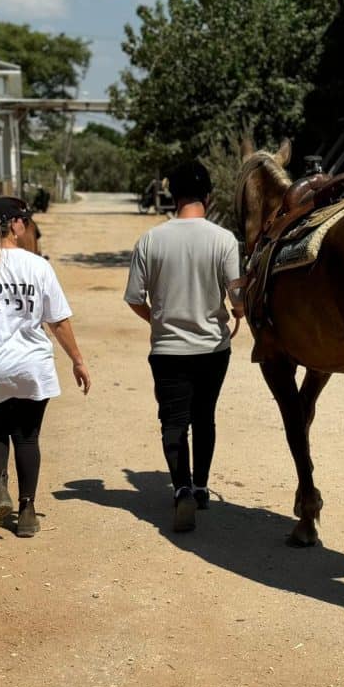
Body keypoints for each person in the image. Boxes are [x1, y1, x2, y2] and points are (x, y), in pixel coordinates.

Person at [0, 196, 91, 537]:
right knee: (27, 438)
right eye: (25, 221)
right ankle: (26, 511)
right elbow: (59, 321)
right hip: (31, 367)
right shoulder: (38, 267)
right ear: (15, 225)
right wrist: (78, 360)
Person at [124, 160, 244, 532]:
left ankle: (181, 491)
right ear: (209, 195)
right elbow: (237, 299)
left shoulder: (151, 240)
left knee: (173, 422)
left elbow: (134, 297)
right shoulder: (224, 240)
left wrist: (158, 320)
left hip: (168, 349)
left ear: (172, 197)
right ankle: (202, 486)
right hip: (213, 348)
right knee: (204, 417)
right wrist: (237, 309)